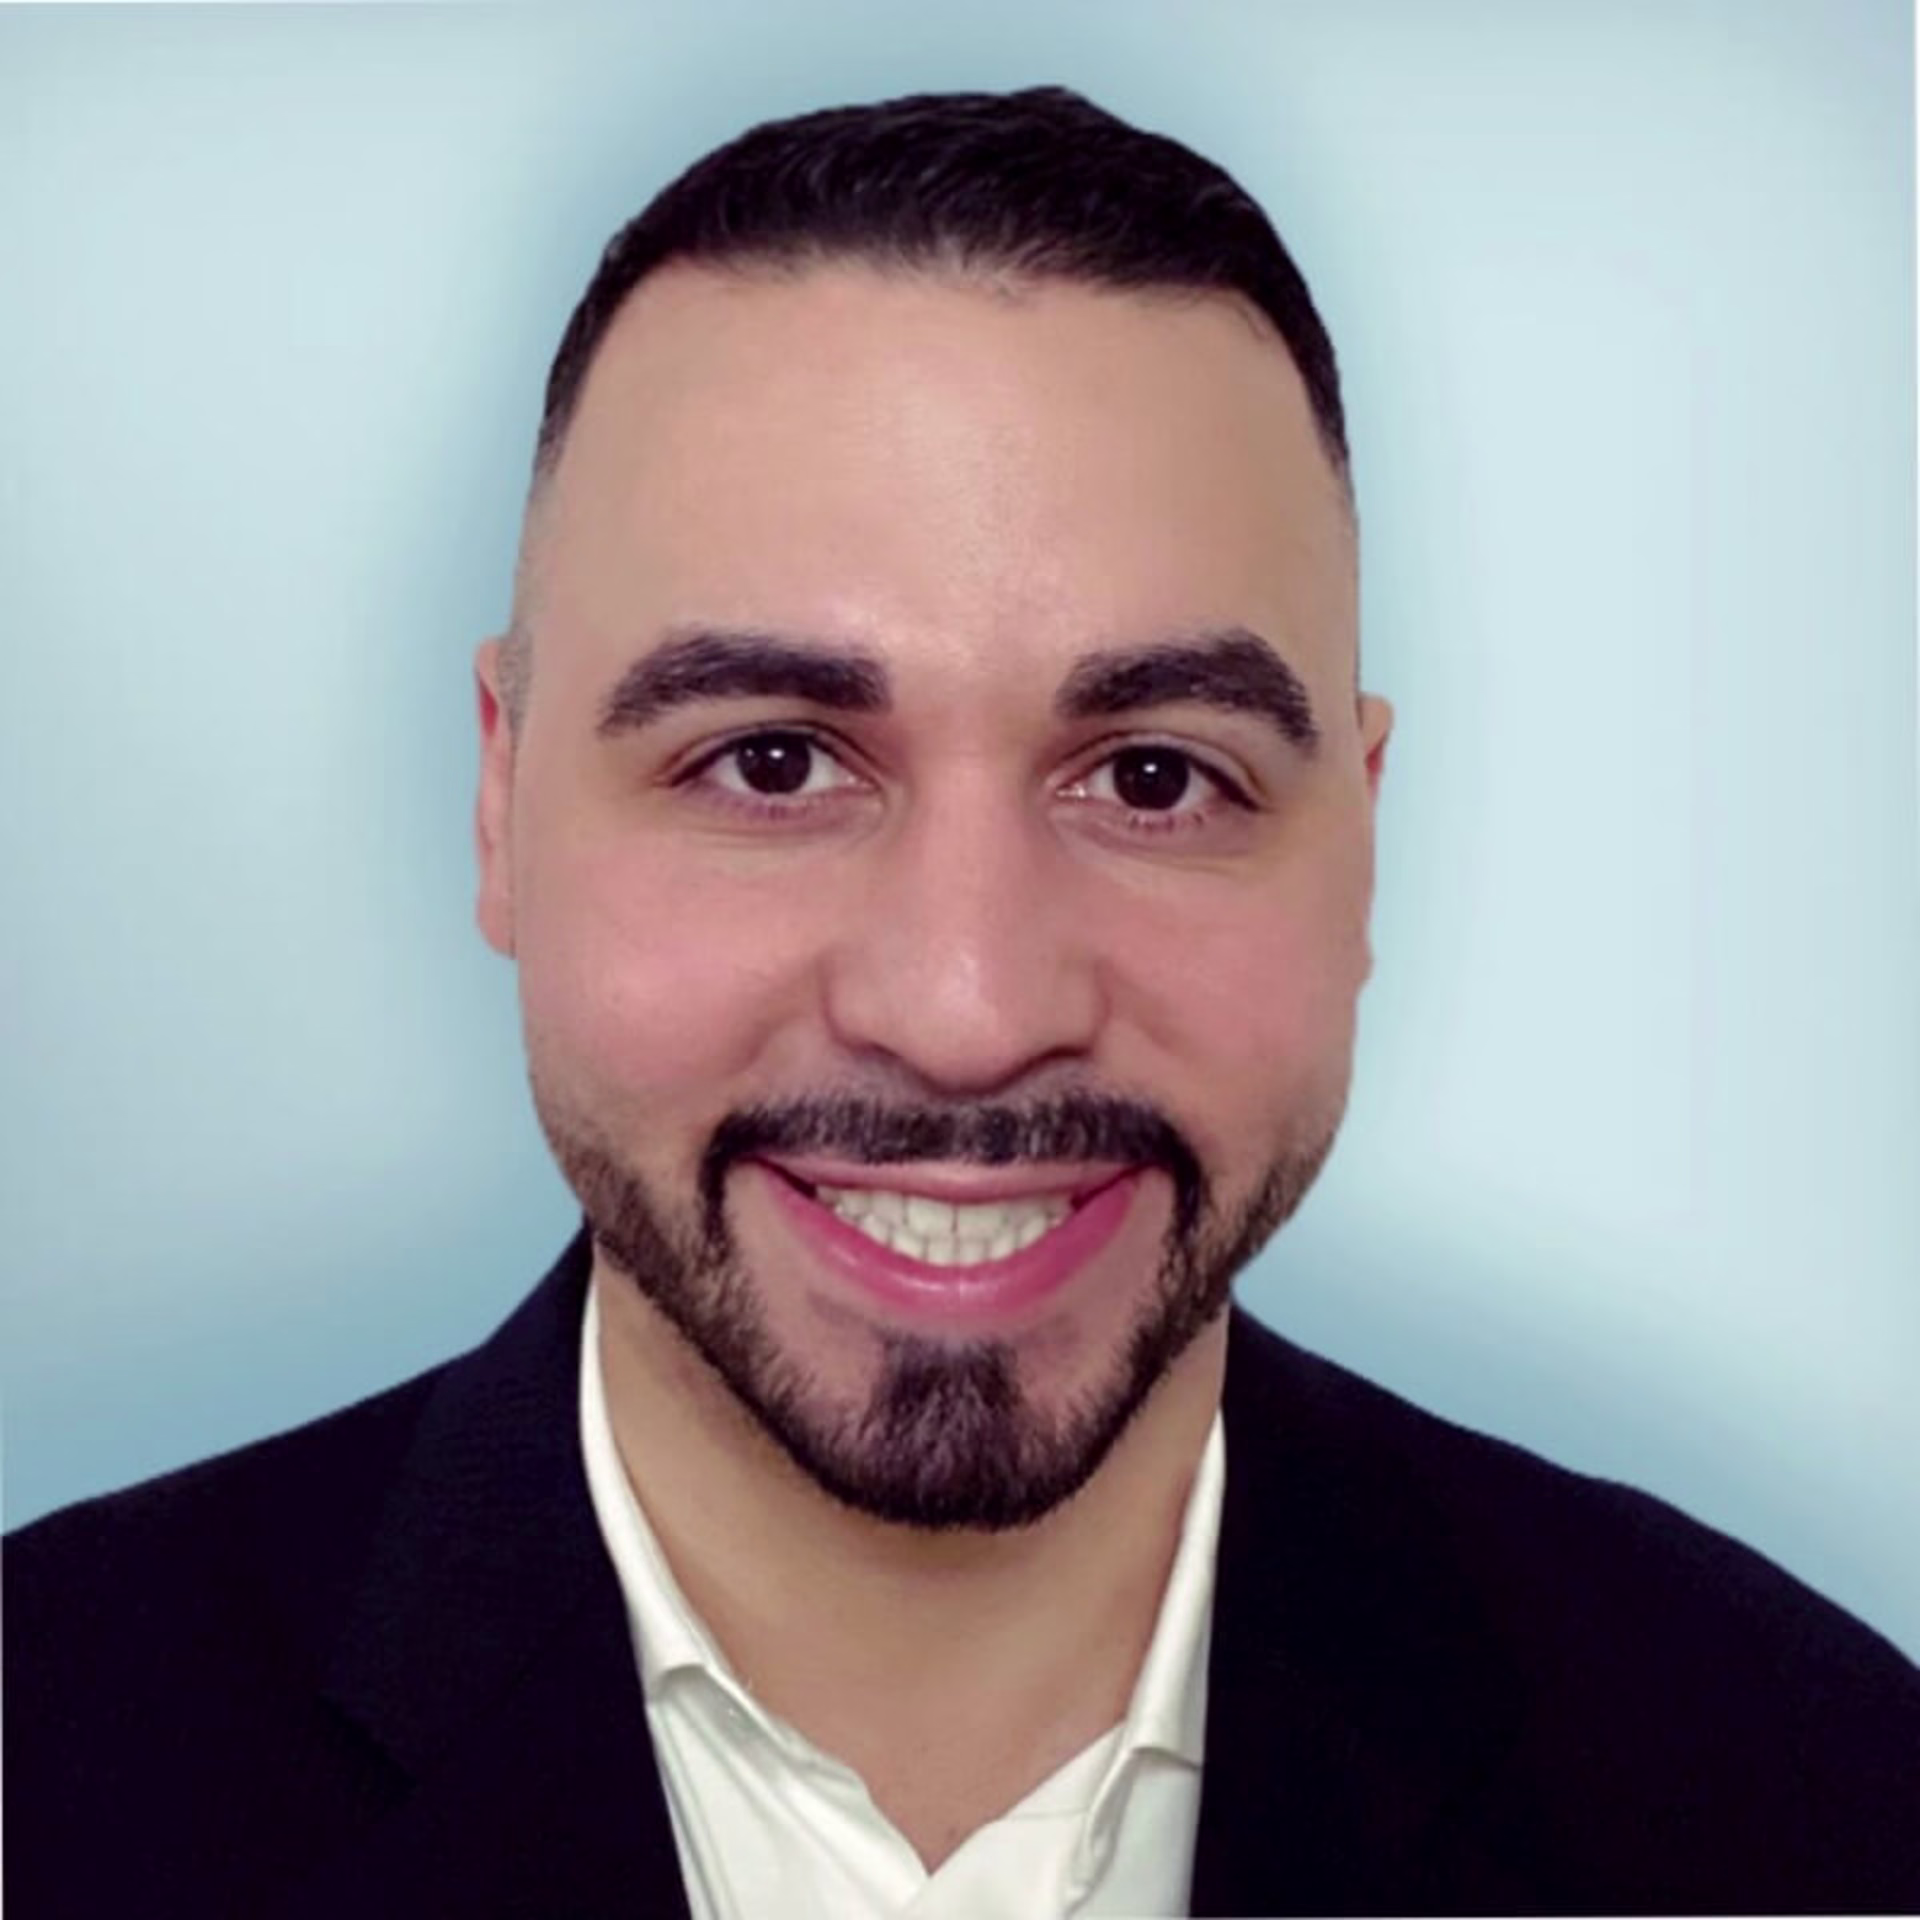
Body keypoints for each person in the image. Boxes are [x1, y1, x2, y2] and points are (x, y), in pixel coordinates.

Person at [6, 83, 1916, 1920]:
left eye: (1155, 779)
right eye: (771, 763)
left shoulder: (1822, 1798)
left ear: (1362, 839)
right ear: (503, 803)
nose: (968, 1009)